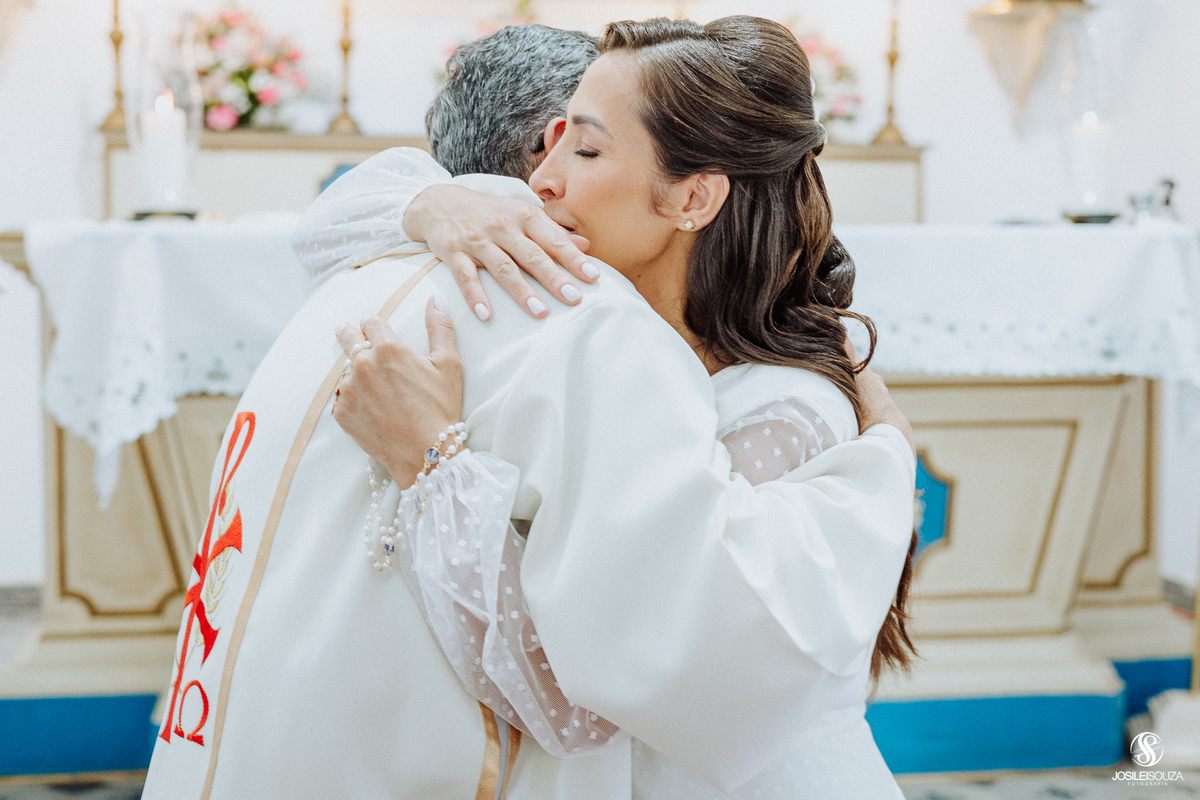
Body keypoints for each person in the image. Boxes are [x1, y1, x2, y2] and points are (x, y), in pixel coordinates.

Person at [141, 22, 914, 800]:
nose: (539, 185)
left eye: (583, 149)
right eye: (546, 149)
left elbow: (602, 688)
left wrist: (433, 460)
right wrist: (434, 200)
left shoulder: (767, 397)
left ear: (692, 196)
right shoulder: (580, 325)